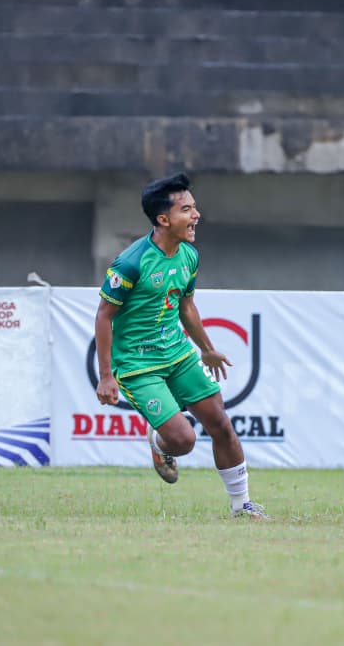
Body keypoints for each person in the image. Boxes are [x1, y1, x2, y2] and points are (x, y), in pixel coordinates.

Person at [94, 172, 269, 519]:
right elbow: (103, 316)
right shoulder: (131, 262)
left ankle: (241, 506)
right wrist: (105, 376)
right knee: (184, 441)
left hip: (179, 354)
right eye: (187, 209)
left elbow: (186, 306)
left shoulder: (188, 255)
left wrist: (206, 347)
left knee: (220, 423)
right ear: (164, 219)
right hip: (138, 365)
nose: (196, 216)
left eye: (194, 208)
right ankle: (160, 442)